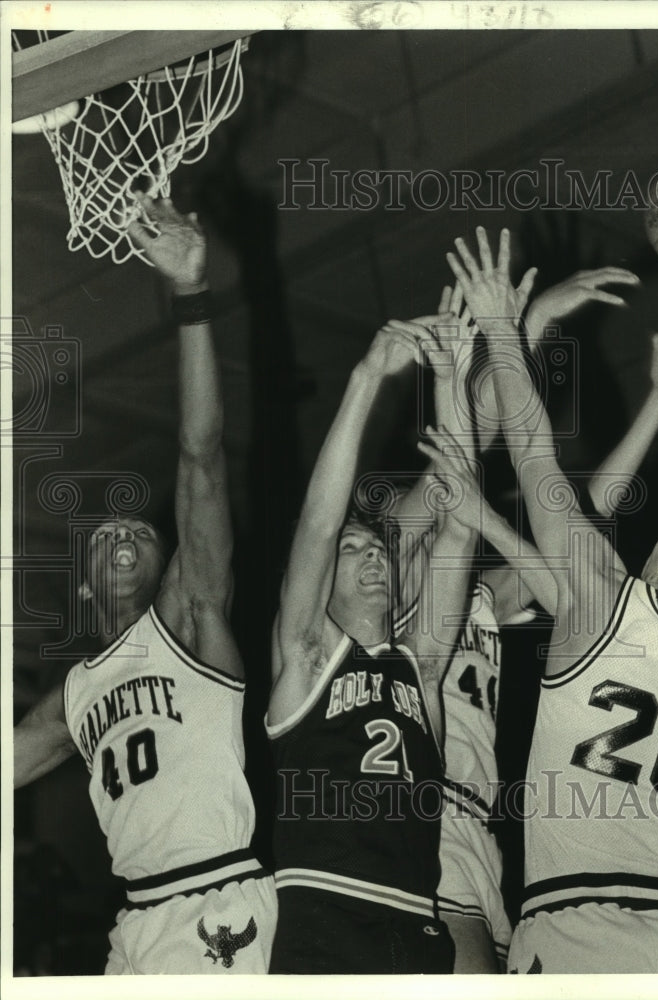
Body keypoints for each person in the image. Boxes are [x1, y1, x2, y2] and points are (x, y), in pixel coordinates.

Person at [444, 226, 658, 974]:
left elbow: (534, 452)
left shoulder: (600, 600)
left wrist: (505, 326)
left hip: (576, 926)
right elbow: (582, 551)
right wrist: (490, 521)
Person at [394, 271, 658, 971]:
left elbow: (585, 523)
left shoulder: (482, 597)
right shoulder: (392, 574)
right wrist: (523, 326)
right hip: (420, 814)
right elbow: (461, 452)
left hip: (482, 831)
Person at [13, 196, 277, 975]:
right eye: (106, 536)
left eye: (141, 532)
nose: (123, 531)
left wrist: (191, 295)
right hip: (134, 924)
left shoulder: (190, 617)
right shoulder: (74, 695)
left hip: (215, 902)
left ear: (173, 565)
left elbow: (201, 455)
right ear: (88, 591)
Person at [265, 311, 476, 974]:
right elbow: (318, 526)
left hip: (417, 924)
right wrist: (365, 378)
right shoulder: (305, 656)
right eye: (352, 550)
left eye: (380, 547)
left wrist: (450, 380)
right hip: (325, 917)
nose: (371, 556)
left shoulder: (423, 669)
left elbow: (461, 526)